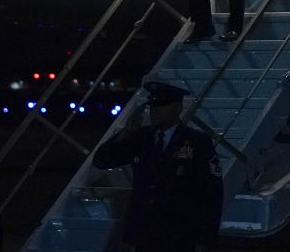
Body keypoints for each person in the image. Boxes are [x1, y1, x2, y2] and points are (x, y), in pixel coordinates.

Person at [92, 81, 223, 252]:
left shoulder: (197, 142)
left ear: (177, 108)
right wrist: (125, 133)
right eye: (153, 104)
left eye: (162, 104)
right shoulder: (141, 137)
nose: (155, 110)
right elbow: (102, 160)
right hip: (144, 234)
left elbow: (212, 194)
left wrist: (205, 241)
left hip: (181, 235)